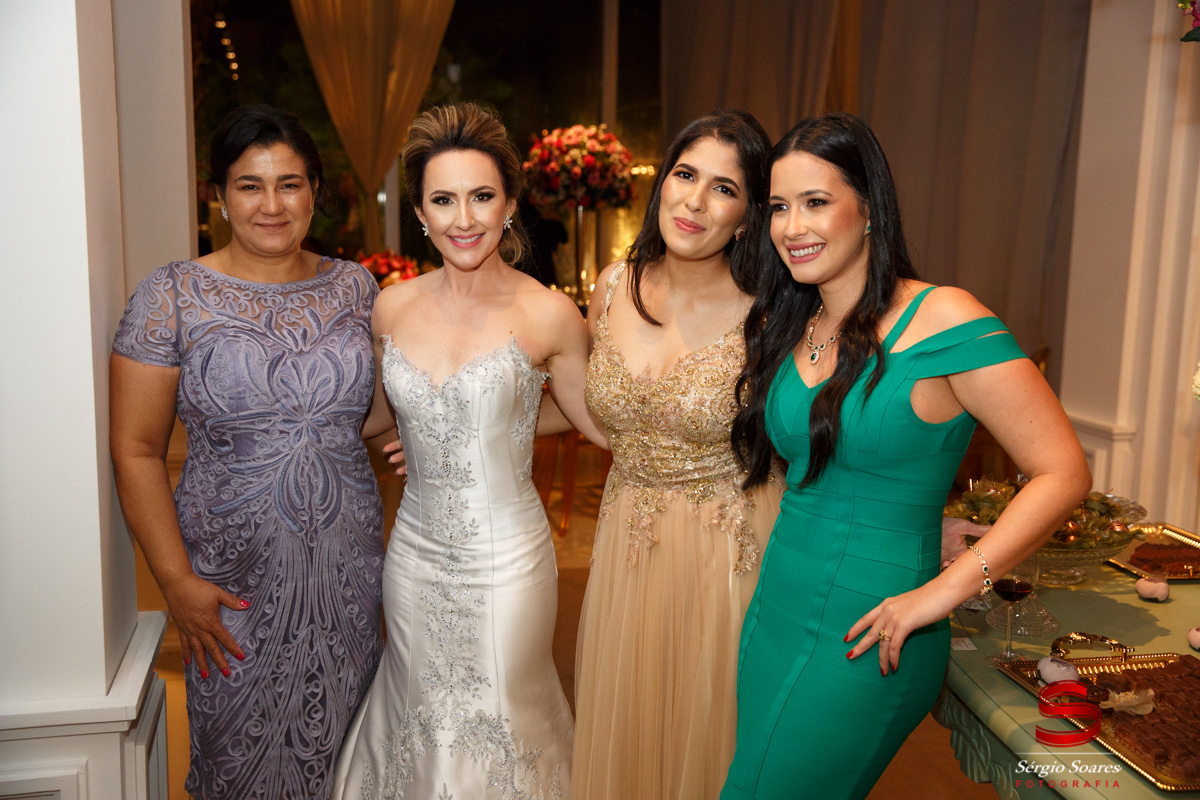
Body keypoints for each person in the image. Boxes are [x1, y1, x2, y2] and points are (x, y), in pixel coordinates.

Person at [720, 112, 1091, 800]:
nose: (792, 227)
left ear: (869, 209)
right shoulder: (796, 321)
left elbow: (1063, 471)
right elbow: (840, 472)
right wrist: (922, 518)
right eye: (778, 207)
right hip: (777, 607)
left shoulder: (944, 317)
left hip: (874, 632)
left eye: (815, 202)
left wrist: (944, 592)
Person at [110, 105, 401, 800]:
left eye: (290, 184)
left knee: (352, 762)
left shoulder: (356, 288)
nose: (272, 205)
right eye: (250, 185)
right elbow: (136, 450)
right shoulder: (171, 295)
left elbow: (363, 416)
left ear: (315, 192)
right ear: (219, 195)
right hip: (231, 588)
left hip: (347, 578)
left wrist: (436, 428)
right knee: (239, 762)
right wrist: (176, 582)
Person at [331, 103, 605, 800]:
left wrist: (494, 428)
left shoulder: (549, 313)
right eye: (443, 200)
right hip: (414, 554)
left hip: (507, 560)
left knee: (504, 715)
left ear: (509, 203)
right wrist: (424, 432)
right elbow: (375, 416)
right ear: (418, 212)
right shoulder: (391, 306)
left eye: (482, 196)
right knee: (417, 709)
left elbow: (594, 422)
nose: (464, 219)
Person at [569, 110, 784, 800]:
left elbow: (818, 433)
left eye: (724, 188)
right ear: (661, 182)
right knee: (630, 731)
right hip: (625, 542)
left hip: (725, 548)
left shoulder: (771, 314)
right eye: (685, 175)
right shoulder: (612, 285)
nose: (694, 201)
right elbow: (588, 404)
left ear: (748, 218)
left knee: (710, 734)